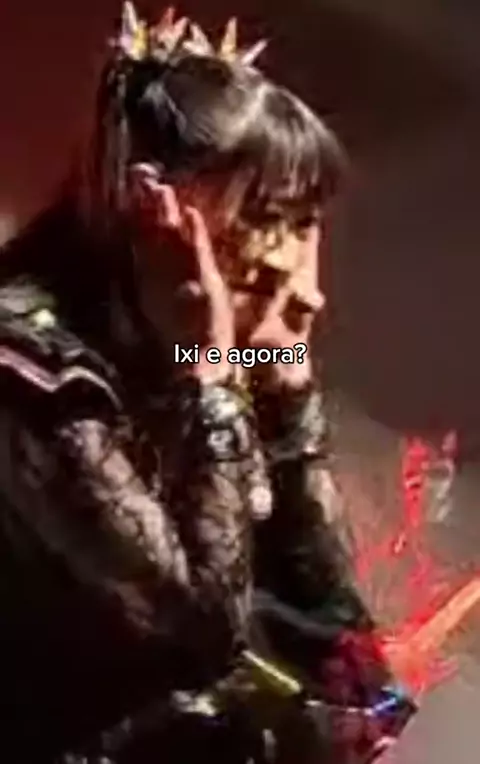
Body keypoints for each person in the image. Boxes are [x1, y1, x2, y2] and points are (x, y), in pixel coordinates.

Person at [0, 4, 415, 762]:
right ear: (151, 201)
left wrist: (285, 390)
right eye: (265, 215)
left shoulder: (195, 351)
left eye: (304, 223)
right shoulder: (32, 370)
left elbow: (335, 637)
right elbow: (197, 638)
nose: (290, 268)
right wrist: (211, 373)